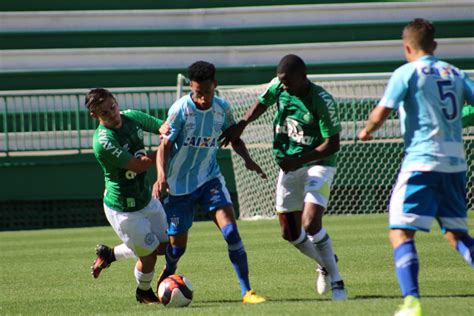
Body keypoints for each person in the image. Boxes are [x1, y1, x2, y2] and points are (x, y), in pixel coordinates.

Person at [358, 18, 474, 316]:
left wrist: (367, 130)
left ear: (407, 47)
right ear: (434, 45)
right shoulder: (455, 72)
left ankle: (412, 302)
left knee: (400, 231)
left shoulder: (406, 72)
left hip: (422, 162)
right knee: (456, 235)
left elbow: (382, 110)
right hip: (456, 165)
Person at [219, 54, 348, 300]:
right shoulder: (279, 86)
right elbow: (262, 103)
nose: (284, 86)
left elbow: (332, 144)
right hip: (290, 164)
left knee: (310, 222)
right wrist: (243, 123)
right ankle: (325, 261)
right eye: (281, 82)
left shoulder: (321, 100)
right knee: (289, 232)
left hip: (318, 164)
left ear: (303, 76)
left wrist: (299, 160)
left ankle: (339, 282)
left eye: (288, 82)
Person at [152, 61, 267, 304]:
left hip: (209, 179)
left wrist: (248, 159)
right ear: (191, 88)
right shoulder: (181, 110)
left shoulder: (222, 108)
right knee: (177, 248)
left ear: (215, 85)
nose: (203, 98)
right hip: (178, 187)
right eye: (197, 92)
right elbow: (163, 147)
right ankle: (169, 269)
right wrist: (161, 176)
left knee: (232, 232)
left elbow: (233, 137)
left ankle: (247, 292)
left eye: (207, 91)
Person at [86, 88, 170, 304]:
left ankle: (110, 255)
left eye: (112, 107)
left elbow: (162, 126)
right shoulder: (103, 142)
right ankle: (143, 291)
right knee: (148, 255)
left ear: (116, 101)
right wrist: (166, 149)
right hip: (123, 207)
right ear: (95, 116)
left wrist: (166, 132)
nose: (112, 113)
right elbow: (138, 166)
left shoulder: (132, 117)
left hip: (145, 197)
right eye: (104, 112)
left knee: (165, 246)